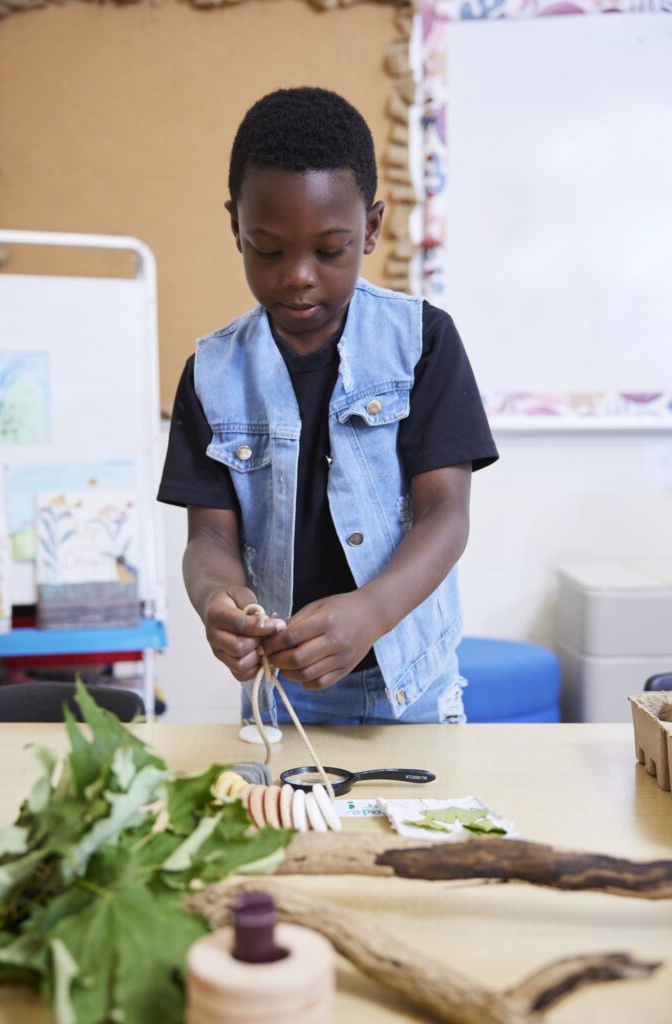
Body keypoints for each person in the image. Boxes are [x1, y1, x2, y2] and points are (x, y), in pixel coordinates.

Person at [158, 86, 498, 727]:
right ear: (235, 227)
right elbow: (207, 537)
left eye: (329, 248)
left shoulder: (422, 342)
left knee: (421, 831)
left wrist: (370, 612)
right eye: (268, 249)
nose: (298, 275)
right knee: (288, 826)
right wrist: (216, 599)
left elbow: (446, 515)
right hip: (282, 692)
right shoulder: (211, 373)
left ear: (371, 228)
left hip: (411, 685)